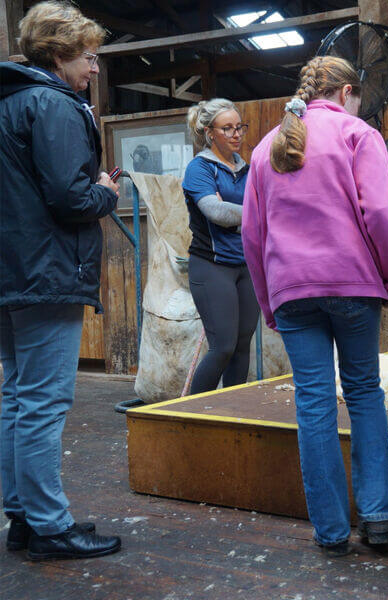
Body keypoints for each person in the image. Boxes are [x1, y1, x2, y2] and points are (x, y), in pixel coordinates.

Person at [242, 56, 388, 557]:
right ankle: (377, 518)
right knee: (363, 393)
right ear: (346, 94)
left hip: (293, 290)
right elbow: (380, 211)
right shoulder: (357, 134)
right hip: (354, 285)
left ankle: (331, 532)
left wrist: (270, 302)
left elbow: (253, 236)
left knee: (313, 403)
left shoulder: (264, 151)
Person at [0, 1, 122, 560]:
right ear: (59, 54)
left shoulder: (7, 102)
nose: (94, 68)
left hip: (10, 273)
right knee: (44, 402)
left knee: (15, 397)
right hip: (46, 270)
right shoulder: (53, 104)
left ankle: (22, 517)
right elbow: (70, 198)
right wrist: (106, 191)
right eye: (89, 57)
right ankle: (50, 525)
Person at [183, 99, 260, 394]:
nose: (236, 134)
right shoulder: (199, 169)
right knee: (223, 346)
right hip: (212, 266)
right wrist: (252, 214)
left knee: (242, 345)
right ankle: (193, 415)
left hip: (246, 266)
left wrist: (237, 214)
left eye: (239, 127)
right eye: (227, 128)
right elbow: (215, 212)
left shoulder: (247, 170)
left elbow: (249, 208)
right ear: (209, 132)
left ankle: (232, 411)